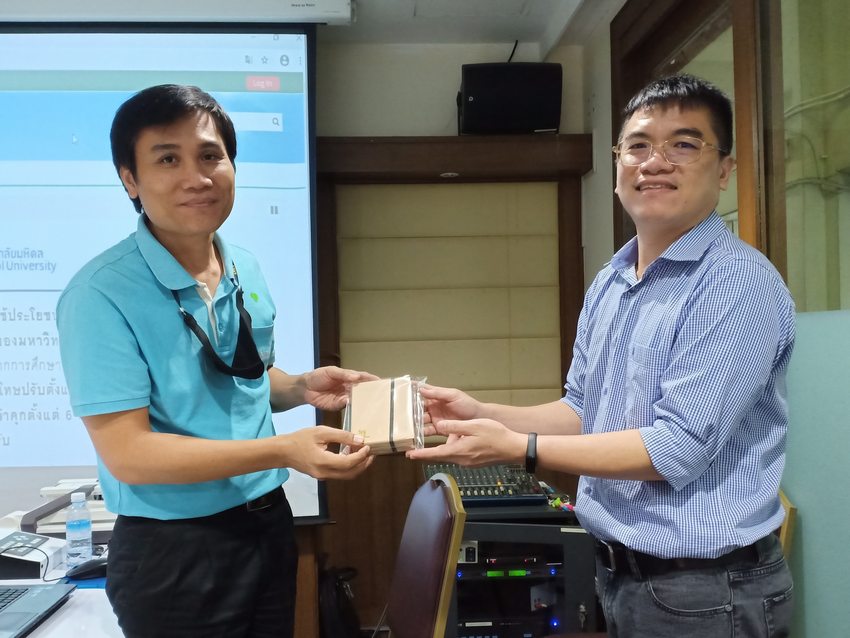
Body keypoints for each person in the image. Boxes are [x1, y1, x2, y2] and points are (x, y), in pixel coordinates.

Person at [408, 74, 795, 637]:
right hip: (619, 574)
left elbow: (675, 449)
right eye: (638, 145)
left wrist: (520, 448)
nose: (654, 162)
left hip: (707, 589)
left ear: (725, 169)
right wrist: (483, 413)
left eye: (684, 144)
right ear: (617, 164)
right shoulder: (612, 280)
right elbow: (583, 410)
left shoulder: (736, 282)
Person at [56, 84, 374, 638]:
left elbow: (246, 379)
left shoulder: (243, 265)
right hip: (174, 550)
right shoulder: (99, 294)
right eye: (167, 159)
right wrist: (283, 449)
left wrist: (302, 387)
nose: (196, 177)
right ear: (130, 180)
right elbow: (130, 454)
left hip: (268, 525)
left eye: (210, 155)